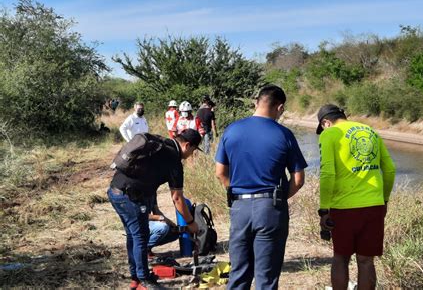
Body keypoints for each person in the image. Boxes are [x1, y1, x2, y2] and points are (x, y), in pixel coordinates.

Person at [215, 85, 307, 290]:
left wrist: (238, 193)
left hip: (240, 208)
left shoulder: (232, 130)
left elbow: (220, 172)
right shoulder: (284, 134)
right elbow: (298, 178)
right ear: (280, 107)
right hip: (271, 208)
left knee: (238, 273)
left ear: (256, 102)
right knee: (266, 278)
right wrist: (279, 198)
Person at [108, 129, 202, 290]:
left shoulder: (161, 144)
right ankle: (144, 281)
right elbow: (177, 198)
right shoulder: (174, 161)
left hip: (115, 192)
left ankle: (136, 278)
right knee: (140, 237)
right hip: (130, 197)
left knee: (133, 235)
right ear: (187, 145)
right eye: (193, 150)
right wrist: (191, 223)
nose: (192, 154)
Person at [316, 104, 396, 290]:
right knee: (366, 260)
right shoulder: (371, 131)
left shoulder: (330, 134)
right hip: (374, 206)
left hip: (344, 207)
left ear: (326, 122)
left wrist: (324, 209)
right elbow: (390, 170)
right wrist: (384, 200)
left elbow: (328, 173)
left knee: (341, 258)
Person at [146, 192, 179, 258]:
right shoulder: (139, 190)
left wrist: (172, 224)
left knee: (175, 232)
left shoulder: (152, 191)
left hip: (149, 223)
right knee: (163, 227)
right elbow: (140, 215)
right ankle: (142, 249)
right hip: (138, 224)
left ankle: (148, 250)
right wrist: (159, 218)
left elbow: (156, 210)